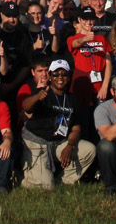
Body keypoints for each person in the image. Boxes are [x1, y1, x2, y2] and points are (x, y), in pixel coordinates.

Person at [19, 58, 94, 189]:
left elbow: (76, 128)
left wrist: (69, 146)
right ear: (50, 76)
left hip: (59, 142)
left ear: (69, 77)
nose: (60, 77)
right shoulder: (43, 92)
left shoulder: (72, 99)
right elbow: (26, 106)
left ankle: (61, 180)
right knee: (46, 188)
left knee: (89, 150)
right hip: (38, 142)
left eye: (64, 74)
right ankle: (20, 178)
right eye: (55, 74)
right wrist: (37, 98)